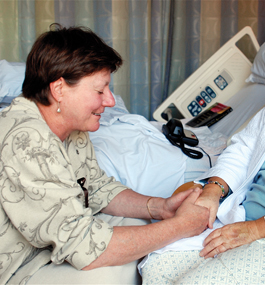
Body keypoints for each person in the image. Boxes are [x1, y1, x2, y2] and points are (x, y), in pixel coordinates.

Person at [0, 24, 209, 285]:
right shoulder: (28, 141)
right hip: (16, 266)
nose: (109, 101)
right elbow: (82, 244)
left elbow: (96, 187)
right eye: (100, 91)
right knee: (111, 273)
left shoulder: (70, 126)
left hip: (47, 244)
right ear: (59, 90)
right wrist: (182, 226)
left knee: (141, 227)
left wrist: (160, 207)